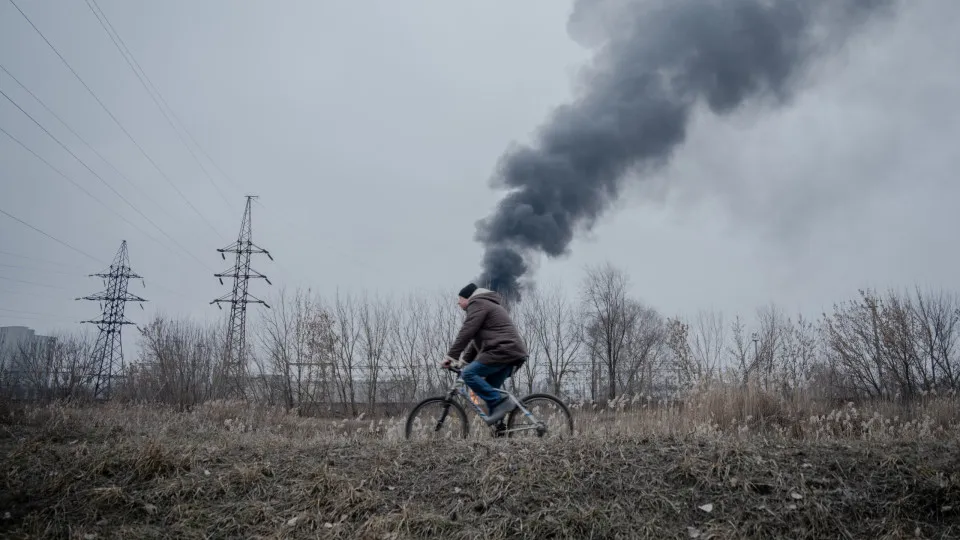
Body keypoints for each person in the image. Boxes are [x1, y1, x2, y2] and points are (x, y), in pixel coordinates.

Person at [441, 282, 528, 424]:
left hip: (503, 350)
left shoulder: (478, 303)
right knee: (490, 387)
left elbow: (467, 331)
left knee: (468, 374)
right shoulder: (485, 304)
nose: (458, 302)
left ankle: (500, 402)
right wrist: (463, 362)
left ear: (468, 298)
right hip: (511, 353)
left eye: (460, 298)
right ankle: (500, 431)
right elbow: (475, 343)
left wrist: (451, 357)